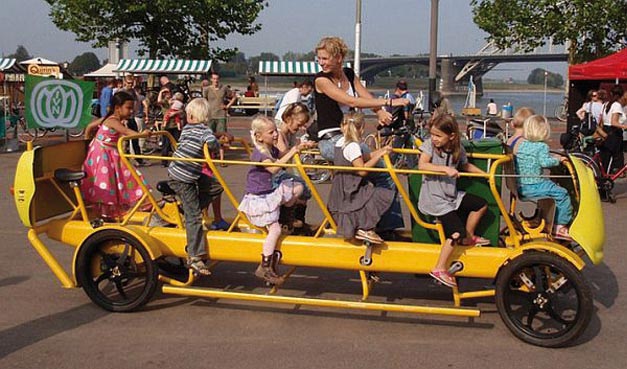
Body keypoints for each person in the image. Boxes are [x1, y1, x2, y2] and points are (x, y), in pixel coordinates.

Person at [313, 36, 408, 240]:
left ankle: (378, 224)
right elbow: (349, 99)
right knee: (383, 171)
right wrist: (391, 101)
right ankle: (375, 226)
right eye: (319, 58)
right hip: (332, 141)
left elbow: (364, 95)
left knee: (378, 173)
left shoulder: (347, 73)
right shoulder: (321, 80)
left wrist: (380, 111)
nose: (321, 62)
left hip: (349, 139)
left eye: (325, 58)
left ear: (338, 57)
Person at [418, 113, 489, 288]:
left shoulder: (458, 149)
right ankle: (439, 268)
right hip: (434, 199)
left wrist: (486, 175)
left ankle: (469, 237)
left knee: (480, 204)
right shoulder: (429, 147)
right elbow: (422, 165)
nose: (434, 139)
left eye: (438, 136)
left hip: (451, 196)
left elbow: (465, 165)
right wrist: (444, 169)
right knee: (455, 232)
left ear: (451, 136)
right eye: (432, 134)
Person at [238, 115, 307, 285]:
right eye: (271, 132)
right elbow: (275, 168)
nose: (276, 135)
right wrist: (293, 151)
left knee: (298, 187)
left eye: (276, 131)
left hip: (269, 193)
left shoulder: (271, 149)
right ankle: (265, 266)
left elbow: (284, 155)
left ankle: (285, 218)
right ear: (259, 136)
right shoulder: (259, 154)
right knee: (274, 231)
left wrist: (300, 147)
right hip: (259, 199)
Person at [167, 98, 225, 276]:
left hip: (184, 173)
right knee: (194, 217)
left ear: (191, 115)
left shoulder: (187, 129)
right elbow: (212, 144)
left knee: (216, 186)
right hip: (183, 178)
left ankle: (187, 208)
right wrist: (219, 141)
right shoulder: (204, 131)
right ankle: (194, 257)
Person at [81, 91, 150, 220]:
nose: (131, 111)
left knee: (124, 175)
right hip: (103, 153)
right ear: (117, 108)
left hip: (110, 151)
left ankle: (141, 201)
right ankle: (107, 211)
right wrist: (143, 134)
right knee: (107, 180)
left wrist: (88, 140)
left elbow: (90, 127)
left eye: (132, 108)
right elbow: (125, 132)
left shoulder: (112, 119)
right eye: (128, 108)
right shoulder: (112, 120)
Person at [327, 112, 395, 243]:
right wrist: (378, 157)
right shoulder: (352, 146)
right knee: (379, 195)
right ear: (362, 128)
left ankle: (365, 227)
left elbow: (361, 158)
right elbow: (362, 170)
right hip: (350, 189)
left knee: (370, 195)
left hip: (342, 186)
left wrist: (381, 151)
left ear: (342, 127)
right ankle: (364, 229)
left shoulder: (341, 142)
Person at [516, 115, 573, 240]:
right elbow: (545, 163)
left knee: (552, 187)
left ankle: (549, 218)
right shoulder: (542, 146)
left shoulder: (523, 145)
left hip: (521, 185)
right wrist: (558, 160)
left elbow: (535, 158)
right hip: (534, 185)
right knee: (562, 193)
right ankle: (560, 225)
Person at [276, 102, 316, 233]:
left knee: (305, 186)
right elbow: (284, 155)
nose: (301, 128)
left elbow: (293, 151)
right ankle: (288, 220)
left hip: (280, 173)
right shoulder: (278, 134)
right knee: (301, 185)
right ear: (288, 119)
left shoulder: (290, 134)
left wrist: (304, 145)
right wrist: (298, 148)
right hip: (273, 174)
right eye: (299, 124)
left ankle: (298, 220)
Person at [204, 72, 237, 164]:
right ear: (211, 79)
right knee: (210, 136)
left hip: (221, 115)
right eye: (214, 79)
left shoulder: (224, 88)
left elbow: (234, 97)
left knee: (222, 137)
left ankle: (222, 159)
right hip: (210, 115)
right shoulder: (207, 89)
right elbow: (204, 101)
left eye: (217, 79)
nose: (216, 81)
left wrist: (228, 106)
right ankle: (210, 158)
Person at [599, 85, 626, 173]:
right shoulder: (617, 105)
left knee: (605, 158)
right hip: (614, 134)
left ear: (611, 93)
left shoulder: (605, 104)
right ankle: (611, 175)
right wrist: (625, 127)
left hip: (605, 131)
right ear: (622, 95)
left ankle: (602, 176)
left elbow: (602, 121)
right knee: (616, 157)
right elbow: (614, 122)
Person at [120, 76, 146, 166]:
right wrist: (123, 118)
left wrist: (134, 112)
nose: (130, 85)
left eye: (131, 83)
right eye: (128, 83)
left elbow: (136, 102)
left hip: (131, 117)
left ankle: (139, 159)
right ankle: (125, 161)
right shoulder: (121, 92)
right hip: (123, 118)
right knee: (125, 141)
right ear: (124, 82)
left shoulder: (133, 92)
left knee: (135, 139)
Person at [161, 92, 185, 166]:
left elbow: (183, 112)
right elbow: (159, 101)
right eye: (166, 95)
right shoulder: (165, 103)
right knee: (166, 144)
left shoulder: (178, 104)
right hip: (167, 127)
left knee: (177, 143)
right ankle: (164, 161)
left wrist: (175, 113)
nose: (168, 96)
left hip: (175, 126)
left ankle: (178, 160)